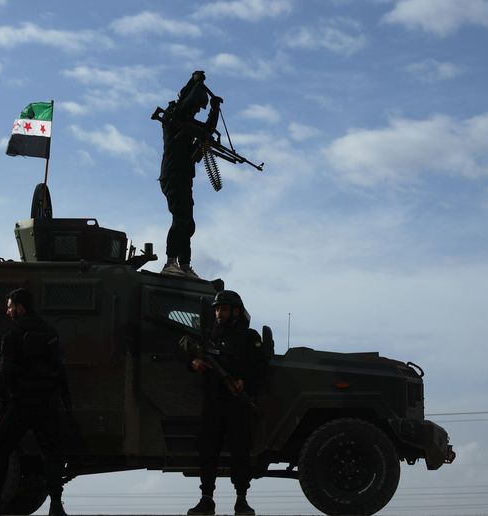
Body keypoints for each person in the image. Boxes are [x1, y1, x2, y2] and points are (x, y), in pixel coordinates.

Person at [0, 288, 70, 516]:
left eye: (10, 307)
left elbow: (6, 371)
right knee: (51, 454)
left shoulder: (13, 335)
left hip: (20, 403)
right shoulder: (50, 332)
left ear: (20, 308)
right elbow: (59, 370)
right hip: (46, 404)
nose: (7, 311)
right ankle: (56, 506)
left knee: (0, 452)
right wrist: (66, 404)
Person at [187, 290, 269, 516]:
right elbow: (191, 356)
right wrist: (195, 363)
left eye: (222, 309)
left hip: (237, 403)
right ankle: (206, 499)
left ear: (235, 311)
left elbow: (262, 368)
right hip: (213, 401)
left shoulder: (248, 337)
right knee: (207, 450)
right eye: (216, 309)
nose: (218, 313)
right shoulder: (208, 336)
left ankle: (241, 500)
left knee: (240, 451)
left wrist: (244, 382)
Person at [159, 70, 223, 279]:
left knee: (187, 223)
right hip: (173, 176)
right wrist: (194, 80)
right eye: (196, 107)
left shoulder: (190, 124)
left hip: (185, 179)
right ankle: (170, 262)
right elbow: (184, 98)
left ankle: (184, 265)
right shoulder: (173, 119)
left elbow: (207, 129)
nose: (196, 111)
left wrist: (214, 110)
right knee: (180, 218)